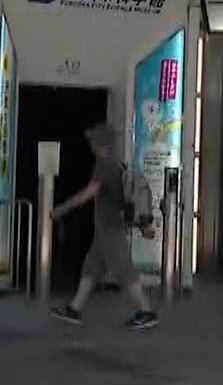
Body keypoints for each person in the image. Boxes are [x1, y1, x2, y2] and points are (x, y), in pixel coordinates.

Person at [51, 124, 159, 330]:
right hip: (106, 229)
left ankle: (147, 312)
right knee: (91, 268)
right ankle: (74, 309)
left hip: (110, 228)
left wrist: (62, 209)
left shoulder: (104, 165)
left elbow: (89, 193)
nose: (91, 144)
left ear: (102, 144)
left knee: (124, 270)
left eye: (94, 140)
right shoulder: (117, 165)